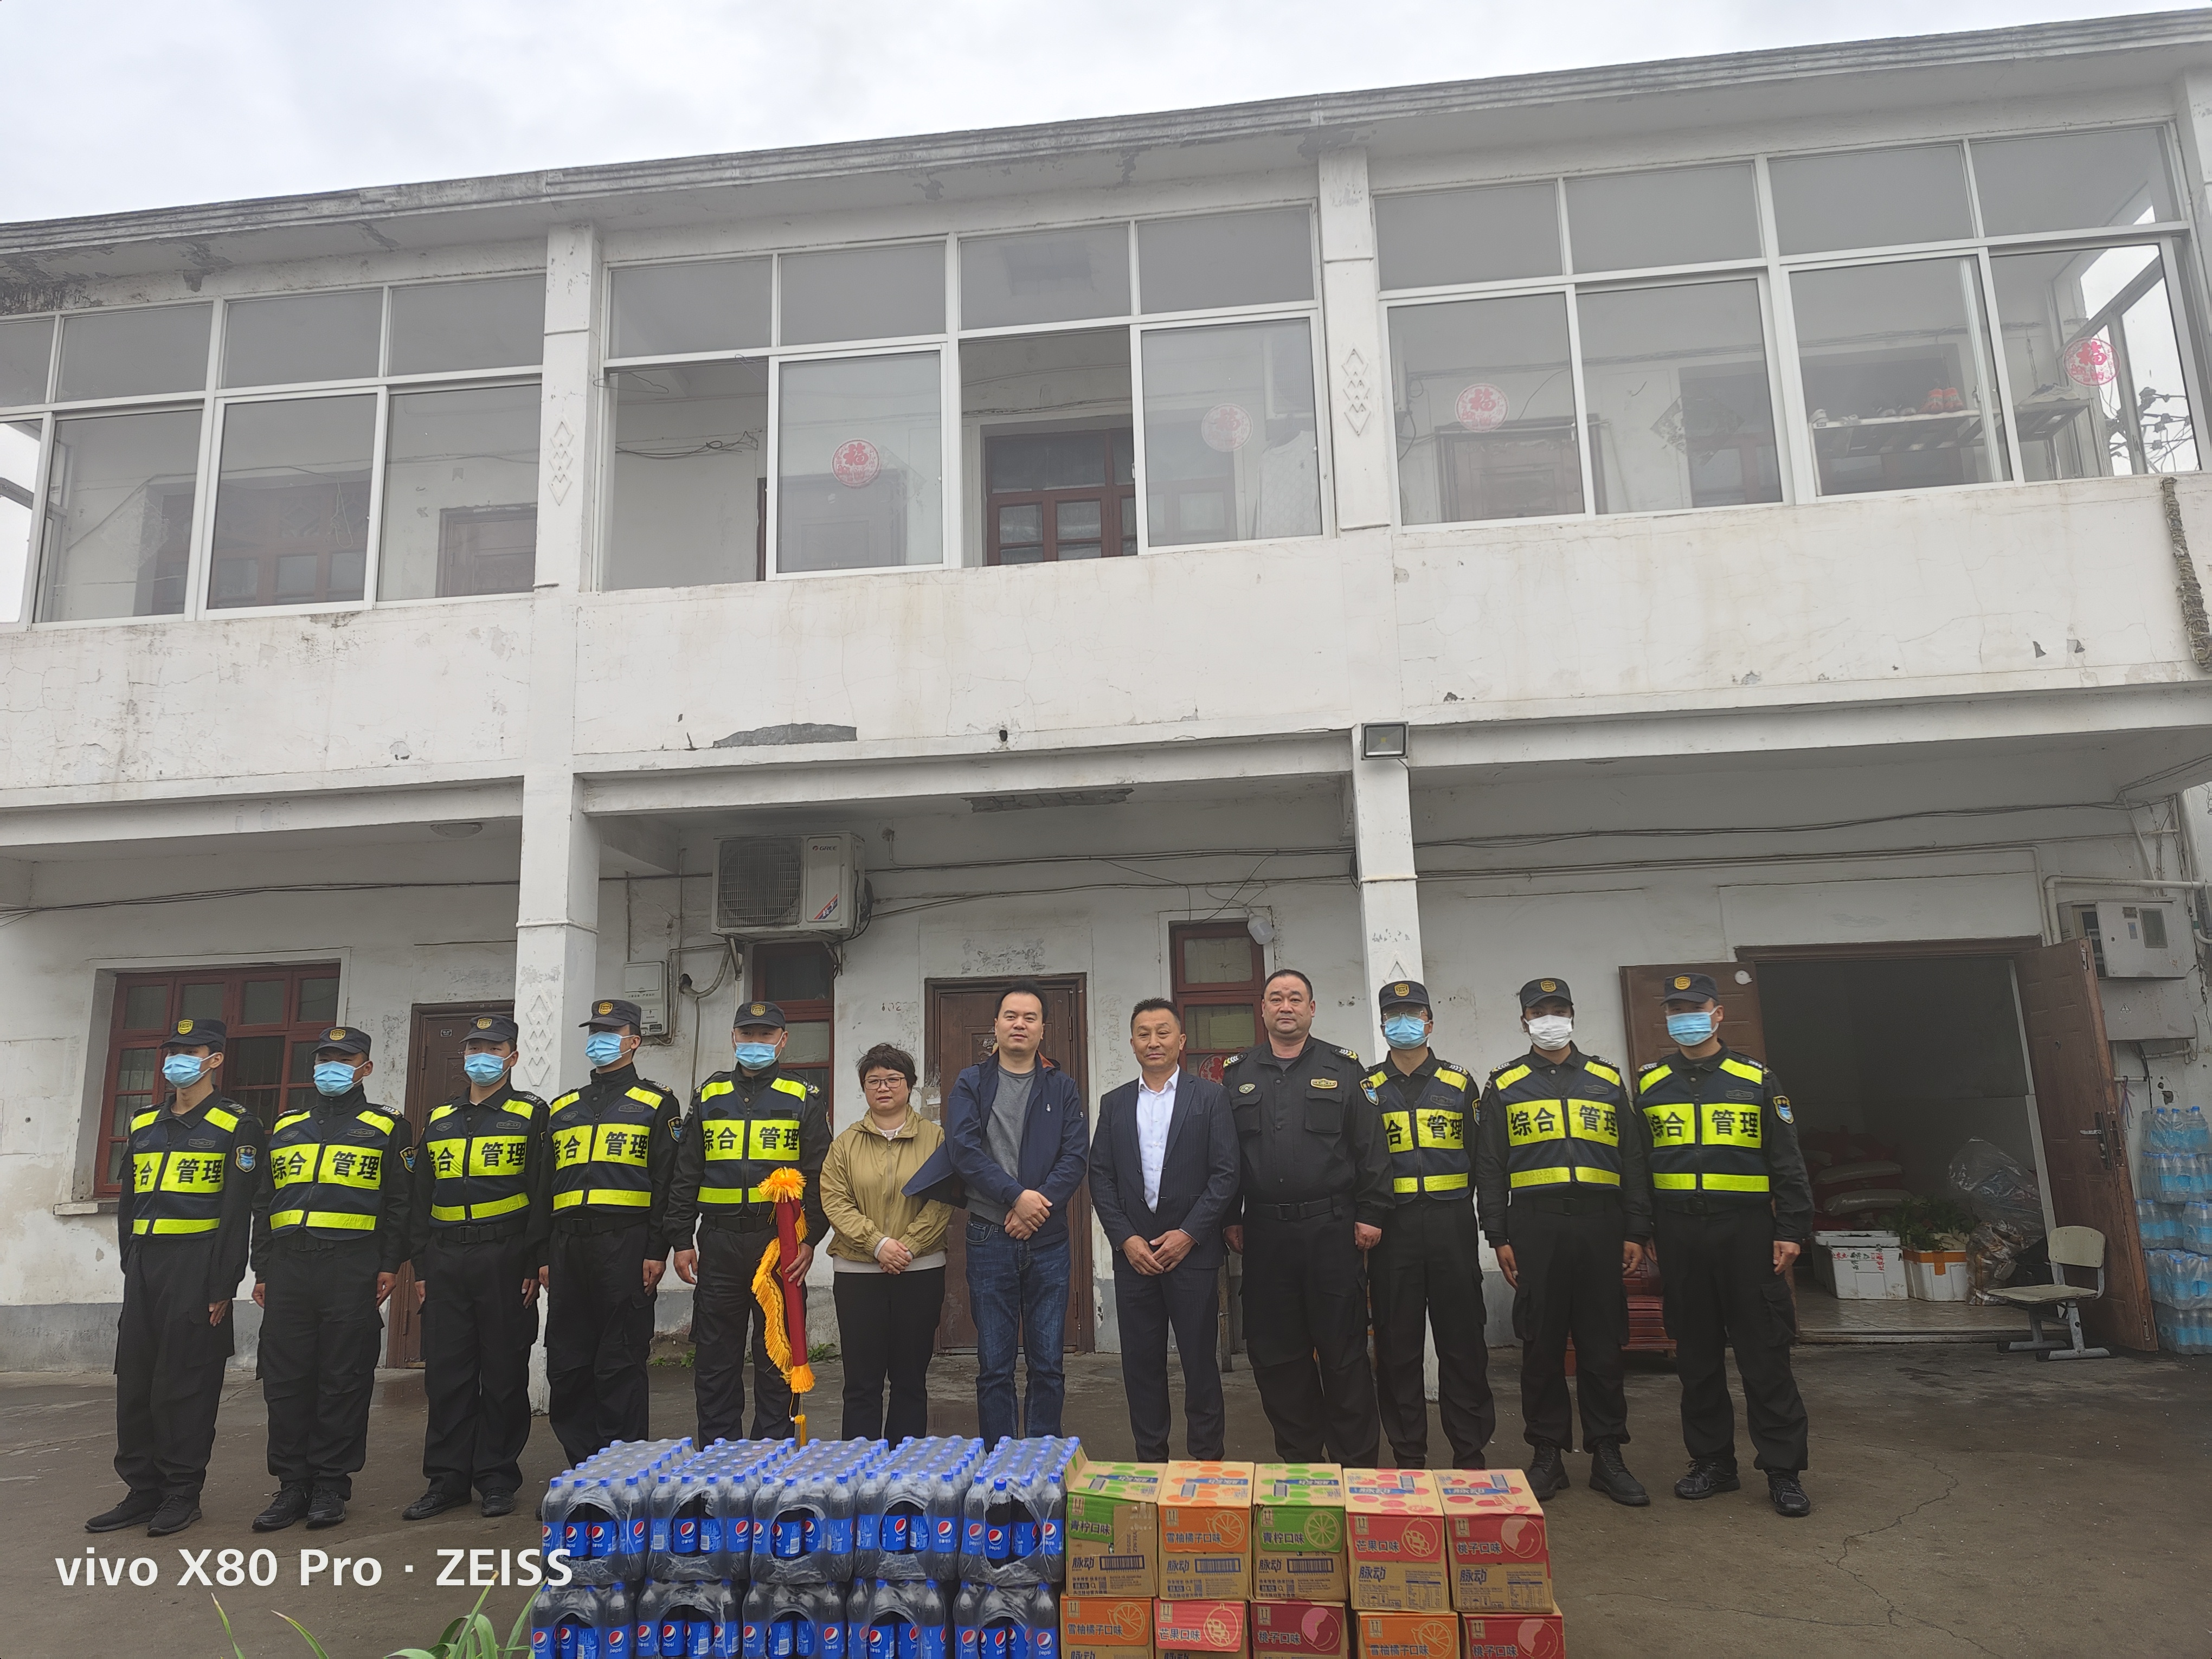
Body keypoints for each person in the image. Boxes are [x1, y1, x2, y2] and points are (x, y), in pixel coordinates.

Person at [1636, 971, 1815, 1518]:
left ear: (1718, 1014)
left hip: (1747, 1233)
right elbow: (1638, 1166)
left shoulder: (1756, 1079)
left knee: (1765, 1356)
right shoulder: (1649, 1085)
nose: (1684, 1018)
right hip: (1680, 1235)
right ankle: (1712, 1463)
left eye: (1695, 1008)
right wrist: (1643, 1229)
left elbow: (1787, 1160)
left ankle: (1783, 1470)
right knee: (1696, 1358)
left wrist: (1791, 1229)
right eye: (1675, 1010)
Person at [1474, 978, 1652, 1506]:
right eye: (1538, 1011)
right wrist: (1498, 1235)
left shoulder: (1606, 1078)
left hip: (1601, 1225)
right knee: (1541, 1344)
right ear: (1524, 1020)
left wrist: (1636, 1229)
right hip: (1536, 1227)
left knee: (1602, 1344)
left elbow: (1632, 1157)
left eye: (1558, 1009)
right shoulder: (1504, 1083)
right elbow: (1490, 1165)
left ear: (1572, 1015)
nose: (1549, 1019)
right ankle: (1547, 1453)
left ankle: (1608, 1454)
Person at [87, 1016, 265, 1539]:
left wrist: (223, 1284)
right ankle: (142, 1491)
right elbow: (129, 1201)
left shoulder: (237, 1125)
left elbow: (238, 1212)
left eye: (190, 1052)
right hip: (146, 1264)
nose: (176, 1061)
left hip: (196, 1266)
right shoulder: (144, 1123)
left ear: (215, 1060)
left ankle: (182, 1493)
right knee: (136, 1380)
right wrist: (131, 1262)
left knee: (185, 1383)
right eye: (172, 1052)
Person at [1221, 968, 1390, 1466]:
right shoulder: (1237, 1074)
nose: (1286, 1006)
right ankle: (1301, 1462)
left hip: (1331, 1229)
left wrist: (1372, 1212)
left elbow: (1371, 1147)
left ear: (1312, 1009)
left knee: (1343, 1351)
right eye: (1276, 998)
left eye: (1296, 998)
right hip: (1265, 1233)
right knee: (1277, 1354)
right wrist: (1230, 1217)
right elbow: (1225, 1156)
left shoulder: (1345, 1069)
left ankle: (1356, 1466)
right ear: (1263, 1009)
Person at [249, 1025, 413, 1533]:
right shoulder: (287, 1125)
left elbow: (400, 1202)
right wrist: (262, 1268)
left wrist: (390, 1264)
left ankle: (330, 1485)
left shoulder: (388, 1126)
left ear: (365, 1068)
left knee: (344, 1378)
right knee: (285, 1379)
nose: (331, 1068)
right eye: (325, 1059)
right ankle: (291, 1485)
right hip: (289, 1268)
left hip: (351, 1265)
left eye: (344, 1060)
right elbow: (264, 1202)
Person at [401, 1013, 549, 1521]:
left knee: (503, 1373)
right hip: (446, 1260)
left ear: (512, 1057)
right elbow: (421, 1195)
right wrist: (421, 1266)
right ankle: (446, 1481)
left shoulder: (532, 1114)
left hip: (505, 1259)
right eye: (473, 1048)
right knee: (447, 1374)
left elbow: (541, 1191)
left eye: (492, 1048)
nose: (480, 1057)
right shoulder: (440, 1117)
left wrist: (533, 1259)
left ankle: (497, 1478)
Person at [668, 999, 832, 1442]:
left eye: (765, 1035)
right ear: (734, 1038)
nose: (755, 1042)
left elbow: (820, 1175)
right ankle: (719, 1449)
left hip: (777, 1245)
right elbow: (687, 1172)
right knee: (715, 1356)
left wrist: (811, 1240)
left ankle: (773, 1448)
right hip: (718, 1243)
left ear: (783, 1040)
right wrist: (681, 1240)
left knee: (777, 1351)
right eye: (747, 1034)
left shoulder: (803, 1096)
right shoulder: (709, 1094)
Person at [1089, 999, 1239, 1459]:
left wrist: (1189, 1233)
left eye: (1162, 1032)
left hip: (1192, 1253)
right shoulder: (1115, 1103)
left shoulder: (1210, 1097)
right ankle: (1151, 1461)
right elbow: (1101, 1176)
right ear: (1132, 1042)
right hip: (1135, 1256)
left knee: (1200, 1363)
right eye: (1143, 1034)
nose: (1153, 1042)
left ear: (1181, 1040)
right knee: (1141, 1364)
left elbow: (1226, 1173)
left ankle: (1207, 1462)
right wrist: (1125, 1238)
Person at [943, 979, 1089, 1442]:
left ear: (1043, 1028)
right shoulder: (971, 1082)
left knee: (1048, 1363)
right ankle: (999, 1462)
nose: (1019, 1024)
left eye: (1030, 1017)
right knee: (994, 1365)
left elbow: (1075, 1157)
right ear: (996, 1025)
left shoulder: (1062, 1087)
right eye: (1011, 1016)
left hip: (1048, 1239)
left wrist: (1035, 1207)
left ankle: (1042, 1458)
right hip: (989, 1235)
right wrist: (1016, 1197)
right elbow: (963, 1151)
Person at [1361, 980, 1493, 1470]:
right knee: (1397, 1347)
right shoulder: (1367, 1088)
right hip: (1391, 1231)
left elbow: (1480, 1158)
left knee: (1463, 1342)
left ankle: (1470, 1453)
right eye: (1394, 1015)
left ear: (1430, 1022)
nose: (1404, 1022)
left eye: (1413, 1013)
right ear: (1382, 1025)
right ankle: (1409, 1455)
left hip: (1450, 1225)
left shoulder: (1460, 1083)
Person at [544, 997, 682, 1465]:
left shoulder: (657, 1103)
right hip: (567, 1247)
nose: (599, 1041)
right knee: (568, 1362)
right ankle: (582, 1467)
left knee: (620, 1360)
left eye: (610, 1033)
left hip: (625, 1244)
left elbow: (666, 1182)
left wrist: (657, 1249)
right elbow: (545, 1185)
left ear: (633, 1041)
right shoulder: (564, 1107)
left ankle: (621, 1469)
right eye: (595, 1033)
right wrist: (541, 1254)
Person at [818, 1043, 952, 1441]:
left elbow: (944, 1199)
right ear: (864, 1088)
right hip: (858, 1272)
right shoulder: (845, 1144)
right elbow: (835, 1201)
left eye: (893, 1079)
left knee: (910, 1379)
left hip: (920, 1270)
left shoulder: (936, 1139)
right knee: (861, 1382)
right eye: (873, 1080)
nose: (883, 1087)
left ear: (909, 1085)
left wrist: (907, 1247)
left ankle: (904, 1466)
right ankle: (860, 1465)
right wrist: (878, 1245)